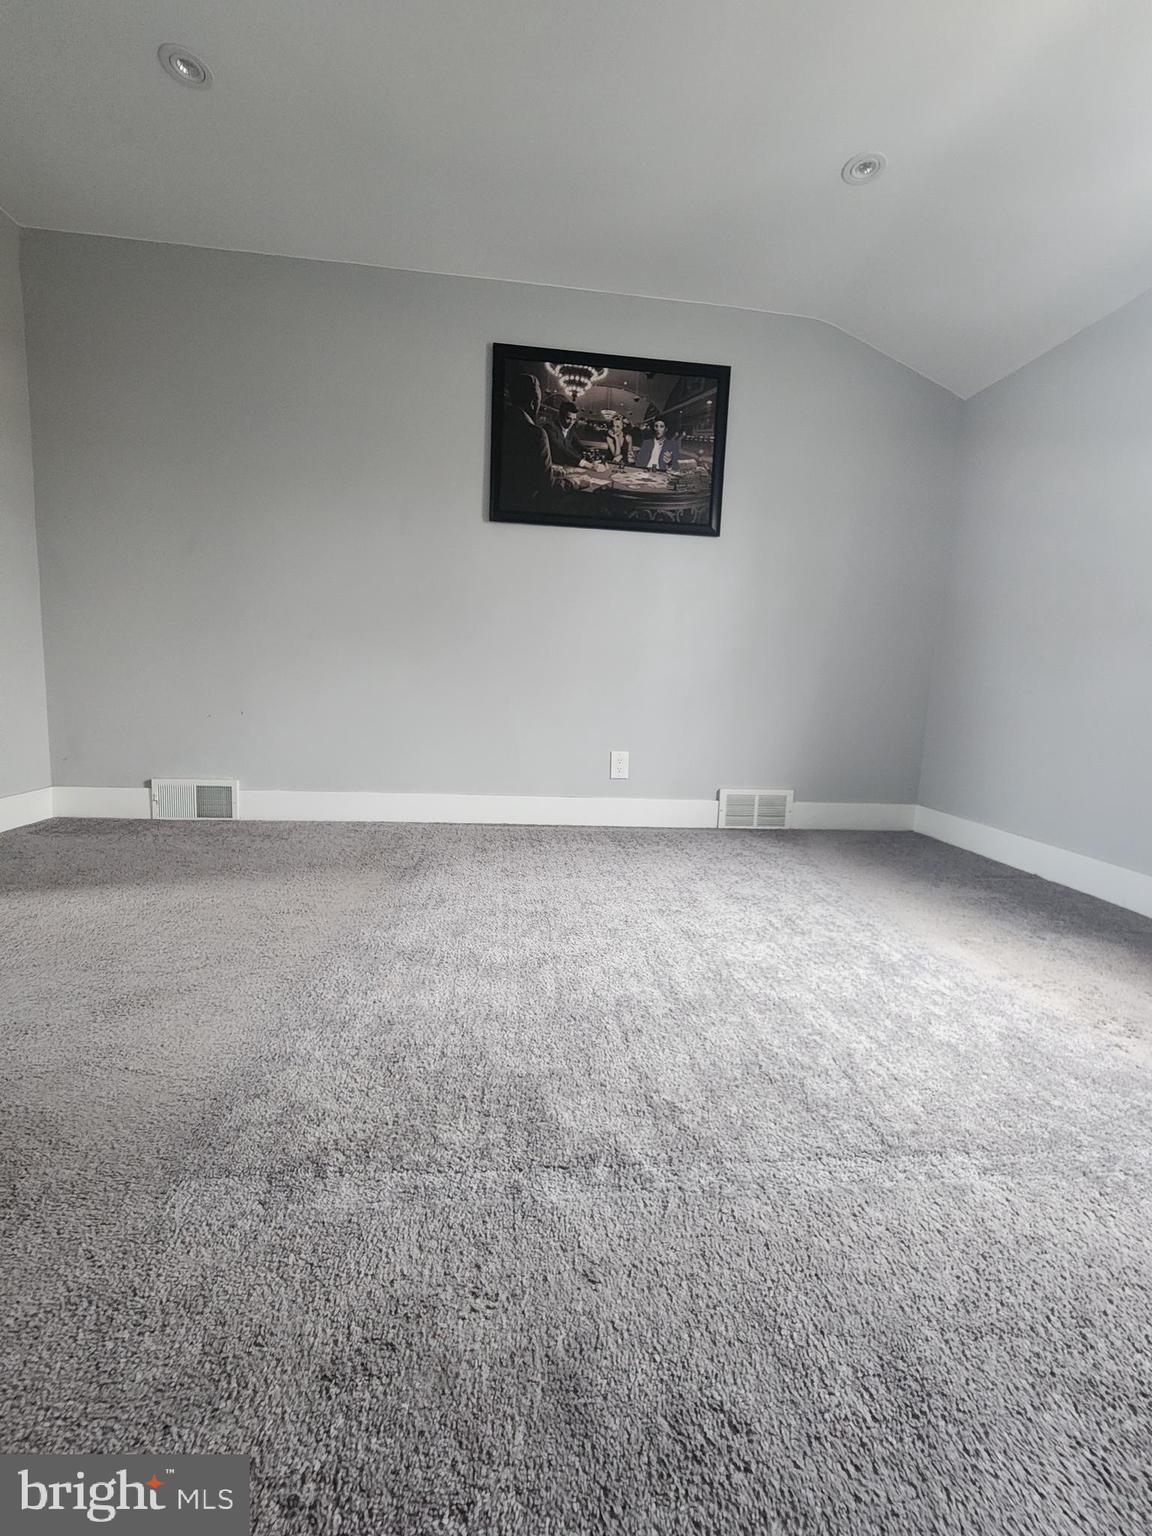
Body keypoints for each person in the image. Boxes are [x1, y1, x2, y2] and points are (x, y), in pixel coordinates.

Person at [499, 373, 570, 508]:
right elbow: (546, 485)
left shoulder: (500, 423)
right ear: (533, 403)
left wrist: (551, 470)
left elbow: (522, 468)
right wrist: (574, 483)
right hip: (525, 505)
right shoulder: (536, 433)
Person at [544, 400, 591, 468]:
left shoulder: (571, 429)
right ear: (560, 416)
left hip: (565, 465)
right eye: (568, 418)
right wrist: (584, 463)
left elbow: (578, 445)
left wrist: (590, 452)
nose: (571, 422)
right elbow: (560, 449)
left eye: (574, 419)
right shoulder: (550, 427)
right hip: (551, 466)